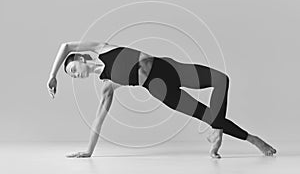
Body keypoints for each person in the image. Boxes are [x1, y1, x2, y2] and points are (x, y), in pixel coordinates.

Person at [47, 41, 277, 158]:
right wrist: (88, 151)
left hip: (168, 68)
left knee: (221, 80)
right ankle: (253, 140)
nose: (75, 75)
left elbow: (65, 45)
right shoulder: (107, 86)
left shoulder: (103, 48)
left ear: (82, 57)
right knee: (207, 114)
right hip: (160, 91)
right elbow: (98, 119)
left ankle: (216, 129)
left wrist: (53, 75)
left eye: (72, 69)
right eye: (72, 76)